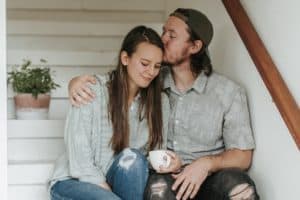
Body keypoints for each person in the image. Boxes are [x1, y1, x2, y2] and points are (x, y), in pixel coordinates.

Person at [68, 8, 259, 200]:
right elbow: (120, 80)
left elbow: (243, 156)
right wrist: (75, 83)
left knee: (241, 189)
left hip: (209, 177)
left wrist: (205, 164)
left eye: (172, 35)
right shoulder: (150, 81)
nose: (163, 38)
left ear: (194, 46)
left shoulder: (228, 92)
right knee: (158, 190)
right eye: (164, 31)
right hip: (165, 177)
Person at [48, 25, 170, 200]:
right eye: (145, 63)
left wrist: (169, 162)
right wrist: (107, 192)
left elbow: (152, 157)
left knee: (133, 159)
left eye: (157, 66)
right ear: (125, 58)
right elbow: (79, 153)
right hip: (73, 182)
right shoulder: (91, 90)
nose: (151, 72)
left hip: (116, 185)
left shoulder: (160, 103)